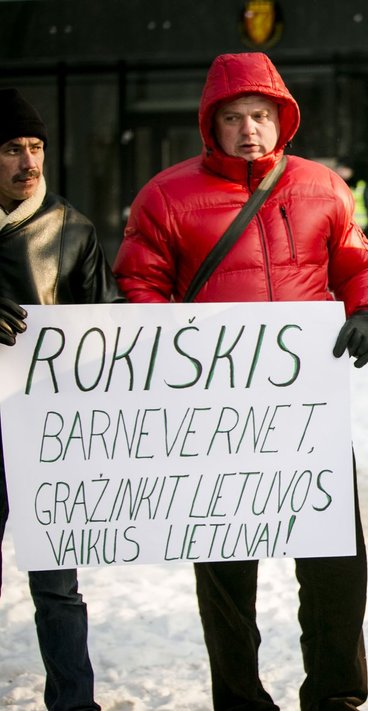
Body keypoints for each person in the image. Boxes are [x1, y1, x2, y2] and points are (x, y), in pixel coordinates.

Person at [113, 53, 368, 711]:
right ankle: (239, 697)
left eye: (261, 116)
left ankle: (336, 692)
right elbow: (138, 280)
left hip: (307, 408)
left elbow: (358, 263)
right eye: (233, 118)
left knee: (335, 560)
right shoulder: (166, 194)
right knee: (227, 568)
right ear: (212, 124)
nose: (249, 131)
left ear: (281, 117)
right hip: (216, 414)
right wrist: (178, 347)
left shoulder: (323, 187)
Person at [0, 87, 120, 711]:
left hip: (45, 434)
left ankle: (75, 704)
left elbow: (113, 330)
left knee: (57, 587)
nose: (30, 162)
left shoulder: (71, 230)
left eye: (37, 147)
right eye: (13, 149)